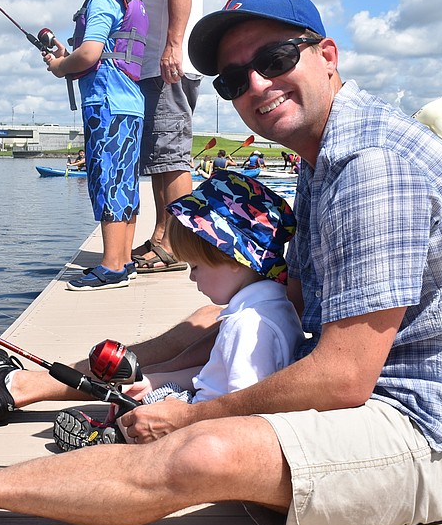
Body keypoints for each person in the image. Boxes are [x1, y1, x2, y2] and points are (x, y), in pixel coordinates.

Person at [0, 0, 442, 525]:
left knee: (205, 452)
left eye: (276, 59)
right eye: (231, 80)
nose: (255, 85)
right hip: (394, 398)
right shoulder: (327, 156)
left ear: (328, 55)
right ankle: (26, 395)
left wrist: (193, 415)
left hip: (440, 442)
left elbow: (343, 376)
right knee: (213, 319)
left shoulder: (369, 164)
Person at [53, 171, 304, 451]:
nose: (192, 278)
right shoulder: (277, 306)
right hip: (205, 407)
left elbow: (242, 408)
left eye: (195, 266)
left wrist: (174, 421)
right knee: (151, 396)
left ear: (234, 259)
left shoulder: (246, 325)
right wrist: (156, 381)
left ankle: (110, 441)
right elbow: (217, 373)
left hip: (209, 427)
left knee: (138, 417)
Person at [42, 0, 148, 291]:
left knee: (107, 179)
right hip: (130, 103)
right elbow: (102, 49)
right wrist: (66, 52)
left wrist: (60, 66)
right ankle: (124, 259)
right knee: (125, 181)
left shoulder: (103, 0)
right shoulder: (135, 2)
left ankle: (112, 266)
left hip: (105, 102)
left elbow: (89, 54)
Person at [130, 0, 204, 274]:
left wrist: (173, 46)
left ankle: (177, 245)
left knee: (172, 158)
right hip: (156, 67)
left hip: (168, 65)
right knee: (161, 159)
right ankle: (162, 234)